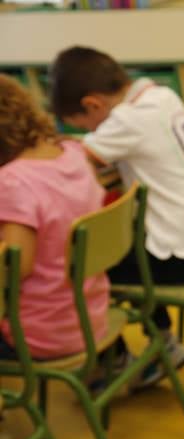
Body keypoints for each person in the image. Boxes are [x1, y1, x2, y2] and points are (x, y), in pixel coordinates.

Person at [48, 46, 184, 385]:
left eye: (84, 124)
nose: (87, 131)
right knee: (125, 238)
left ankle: (120, 357)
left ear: (93, 104)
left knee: (83, 261)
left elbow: (69, 163)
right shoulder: (161, 96)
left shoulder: (127, 120)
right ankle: (164, 341)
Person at [0, 74, 109, 361]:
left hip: (40, 334)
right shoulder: (72, 152)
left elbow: (13, 270)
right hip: (91, 315)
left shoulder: (13, 182)